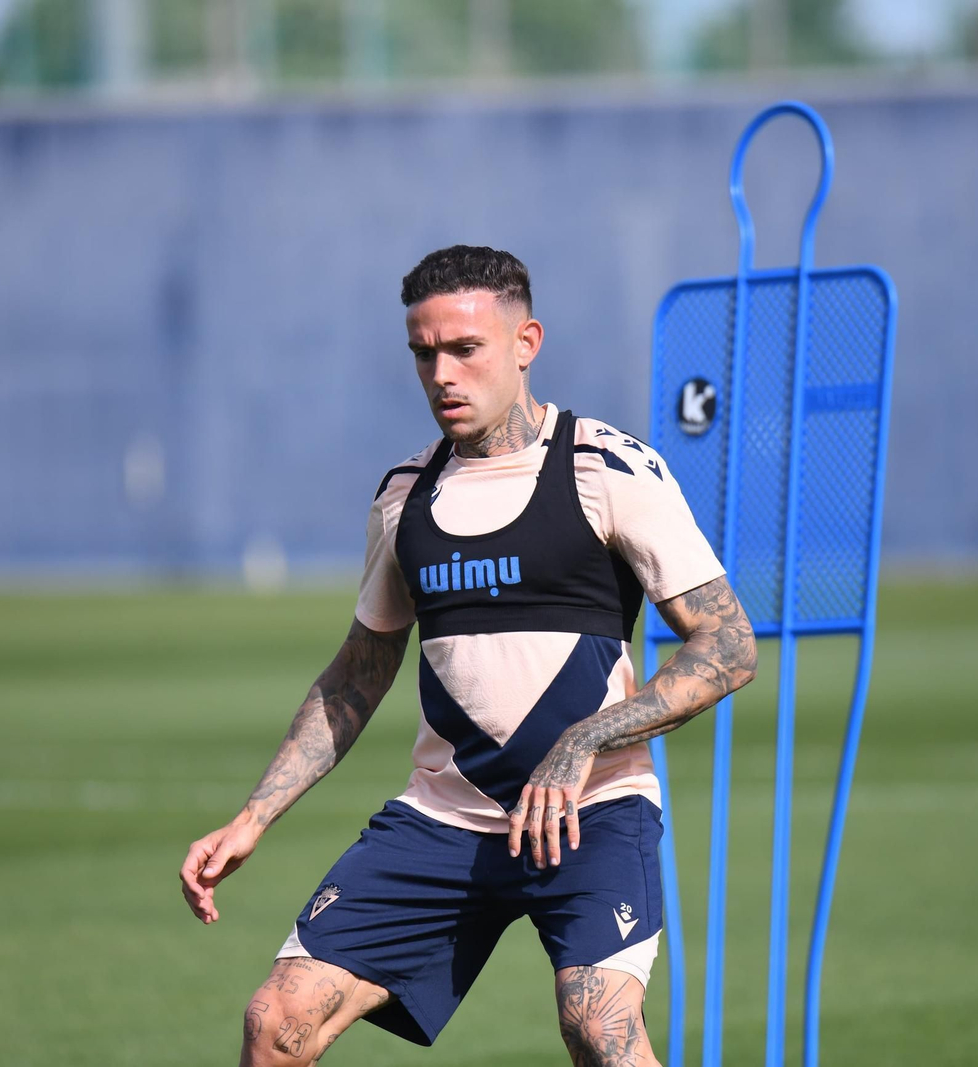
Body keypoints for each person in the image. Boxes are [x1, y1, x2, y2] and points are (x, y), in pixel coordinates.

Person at [180, 246, 757, 1066]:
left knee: (599, 1028)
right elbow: (356, 674)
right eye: (425, 353)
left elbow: (729, 645)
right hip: (445, 820)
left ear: (526, 343)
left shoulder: (605, 467)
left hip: (592, 812)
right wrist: (252, 816)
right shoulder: (405, 496)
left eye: (465, 349)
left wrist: (584, 738)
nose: (442, 374)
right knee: (276, 1020)